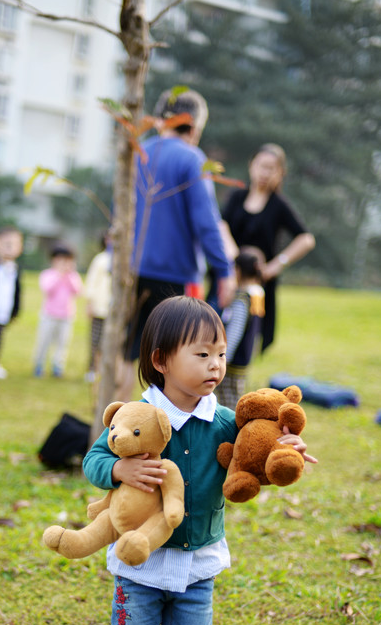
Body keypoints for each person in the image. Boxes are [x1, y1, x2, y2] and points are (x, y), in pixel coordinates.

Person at [83, 296, 317, 625]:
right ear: (161, 361)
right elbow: (93, 459)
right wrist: (117, 468)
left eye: (222, 354)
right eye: (203, 354)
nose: (216, 365)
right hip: (140, 560)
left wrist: (285, 450)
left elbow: (255, 456)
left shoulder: (226, 422)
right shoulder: (136, 418)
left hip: (199, 561)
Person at [117, 88, 236, 401]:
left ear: (161, 120)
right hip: (176, 277)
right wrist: (224, 270)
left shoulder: (137, 153)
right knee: (174, 357)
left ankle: (116, 430)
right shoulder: (191, 158)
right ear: (195, 127)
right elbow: (206, 222)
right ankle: (161, 432)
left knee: (128, 351)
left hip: (131, 269)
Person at [221, 143, 315, 352]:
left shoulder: (278, 205)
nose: (265, 172)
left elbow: (306, 239)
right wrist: (234, 257)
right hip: (229, 279)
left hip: (258, 287)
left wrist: (276, 265)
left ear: (280, 173)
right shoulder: (236, 197)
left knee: (246, 343)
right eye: (261, 166)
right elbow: (221, 224)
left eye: (271, 168)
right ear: (251, 166)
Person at [216, 247, 266, 410]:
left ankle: (230, 434)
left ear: (237, 271)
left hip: (231, 361)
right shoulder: (258, 293)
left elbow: (235, 331)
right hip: (245, 356)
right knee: (235, 397)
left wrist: (222, 358)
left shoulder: (241, 299)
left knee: (227, 403)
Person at [33, 242, 83, 378]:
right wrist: (59, 275)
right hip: (49, 315)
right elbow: (47, 289)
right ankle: (39, 365)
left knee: (62, 344)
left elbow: (77, 291)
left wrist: (69, 275)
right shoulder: (48, 274)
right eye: (60, 260)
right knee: (44, 341)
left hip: (66, 316)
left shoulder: (73, 276)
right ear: (53, 260)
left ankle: (58, 366)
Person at [0, 226, 23, 379]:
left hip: (4, 312)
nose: (10, 248)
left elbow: (17, 292)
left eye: (14, 244)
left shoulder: (15, 269)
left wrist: (15, 311)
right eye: (7, 243)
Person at [84, 233, 112, 384]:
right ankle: (92, 369)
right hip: (99, 309)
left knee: (109, 344)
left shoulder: (125, 260)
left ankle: (104, 370)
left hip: (114, 313)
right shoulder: (100, 259)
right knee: (95, 341)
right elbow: (91, 281)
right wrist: (89, 303)